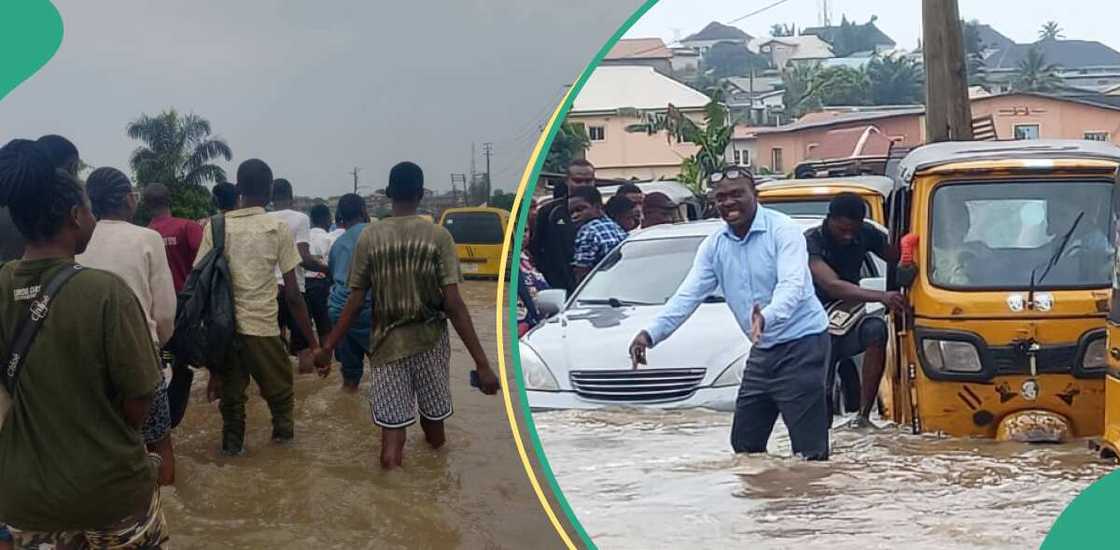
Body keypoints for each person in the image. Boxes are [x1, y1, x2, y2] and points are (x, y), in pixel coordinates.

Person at [0, 139, 168, 547]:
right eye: (90, 210)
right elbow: (140, 401)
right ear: (76, 216)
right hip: (109, 496)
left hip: (24, 502)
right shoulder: (106, 292)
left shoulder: (2, 284)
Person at [628, 167, 832, 460]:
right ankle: (763, 500)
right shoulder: (715, 245)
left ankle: (810, 502)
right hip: (762, 349)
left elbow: (794, 285)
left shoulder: (783, 231)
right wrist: (650, 334)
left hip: (804, 344)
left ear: (755, 196)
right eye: (721, 197)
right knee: (745, 446)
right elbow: (688, 295)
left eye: (737, 194)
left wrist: (767, 317)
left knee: (808, 453)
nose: (728, 202)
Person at [315, 161, 500, 470]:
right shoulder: (438, 237)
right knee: (435, 431)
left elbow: (355, 300)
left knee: (391, 441)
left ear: (389, 194)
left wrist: (328, 347)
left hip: (386, 347)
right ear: (420, 193)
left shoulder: (369, 237)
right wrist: (482, 364)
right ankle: (435, 488)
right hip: (429, 341)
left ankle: (390, 487)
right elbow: (454, 305)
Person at [195, 159, 321, 456]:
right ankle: (284, 456)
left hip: (225, 332)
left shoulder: (215, 227)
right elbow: (292, 295)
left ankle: (231, 454)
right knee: (281, 398)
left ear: (238, 189)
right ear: (268, 192)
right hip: (263, 329)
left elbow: (200, 284)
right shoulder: (277, 228)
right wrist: (313, 344)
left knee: (232, 404)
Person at [75, 167, 178, 485]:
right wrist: (157, 347)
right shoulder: (147, 238)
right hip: (140, 358)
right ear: (130, 200)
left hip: (86, 364)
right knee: (158, 444)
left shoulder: (76, 240)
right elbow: (163, 314)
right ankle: (161, 517)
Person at [804, 193, 905, 427]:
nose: (848, 237)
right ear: (829, 220)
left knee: (877, 330)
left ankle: (863, 416)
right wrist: (882, 296)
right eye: (842, 231)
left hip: (850, 320)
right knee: (823, 385)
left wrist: (911, 255)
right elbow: (832, 285)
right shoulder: (811, 242)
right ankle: (820, 429)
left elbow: (896, 254)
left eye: (853, 231)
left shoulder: (866, 233)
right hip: (815, 322)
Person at [270, 178, 328, 370]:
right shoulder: (300, 218)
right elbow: (304, 258)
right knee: (304, 350)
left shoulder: (264, 219)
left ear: (271, 198)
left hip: (269, 292)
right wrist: (327, 270)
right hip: (295, 290)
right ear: (292, 198)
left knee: (273, 348)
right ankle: (307, 396)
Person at [326, 194, 372, 391]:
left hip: (339, 313)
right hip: (369, 313)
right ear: (364, 211)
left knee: (350, 377)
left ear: (341, 217)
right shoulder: (377, 235)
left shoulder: (337, 244)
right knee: (385, 371)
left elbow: (333, 276)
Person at [532, 159, 596, 292]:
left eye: (588, 180)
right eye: (578, 181)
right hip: (559, 288)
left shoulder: (601, 211)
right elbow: (536, 249)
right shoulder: (550, 212)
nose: (584, 185)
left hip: (595, 288)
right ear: (567, 181)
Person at [570, 186, 629, 284]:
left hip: (601, 286)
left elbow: (582, 271)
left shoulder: (588, 231)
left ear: (598, 207)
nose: (574, 215)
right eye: (571, 212)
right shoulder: (615, 226)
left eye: (580, 209)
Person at [305, 203, 335, 346]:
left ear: (311, 219)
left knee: (304, 325)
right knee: (324, 326)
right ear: (328, 219)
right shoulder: (328, 238)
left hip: (302, 285)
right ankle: (325, 359)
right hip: (321, 285)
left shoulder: (304, 237)